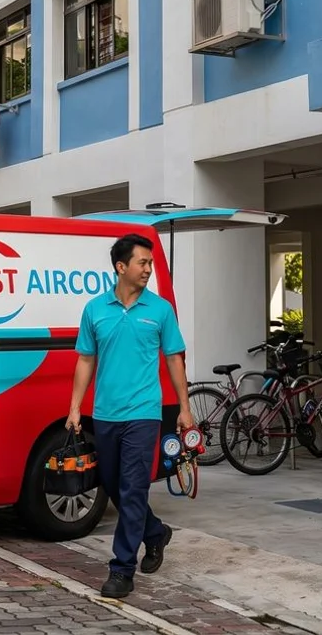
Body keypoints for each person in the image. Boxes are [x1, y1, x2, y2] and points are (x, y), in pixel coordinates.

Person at [67, 232, 195, 599]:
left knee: (134, 487)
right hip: (105, 413)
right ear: (121, 267)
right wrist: (75, 407)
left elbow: (174, 358)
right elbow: (86, 359)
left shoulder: (160, 310)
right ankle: (155, 532)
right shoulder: (95, 309)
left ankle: (121, 569)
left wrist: (185, 408)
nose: (149, 269)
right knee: (116, 487)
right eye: (143, 263)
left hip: (144, 413)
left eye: (151, 263)